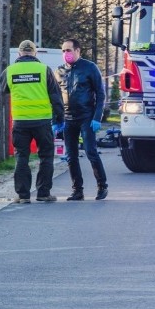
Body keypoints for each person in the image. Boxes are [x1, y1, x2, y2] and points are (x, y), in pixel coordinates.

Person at [0, 40, 65, 204]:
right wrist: (60, 118)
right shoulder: (44, 70)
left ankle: (23, 195)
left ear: (20, 53)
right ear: (34, 53)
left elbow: (2, 90)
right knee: (46, 156)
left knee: (22, 157)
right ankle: (43, 193)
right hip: (42, 122)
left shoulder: (10, 71)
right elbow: (56, 97)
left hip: (20, 122)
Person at [55, 38, 108, 201]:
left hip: (86, 117)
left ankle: (102, 186)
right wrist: (57, 120)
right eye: (63, 51)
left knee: (91, 152)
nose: (66, 54)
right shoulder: (60, 71)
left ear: (78, 51)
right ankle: (77, 190)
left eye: (68, 50)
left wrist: (97, 117)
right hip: (68, 119)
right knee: (71, 156)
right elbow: (56, 97)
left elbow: (100, 93)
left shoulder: (90, 68)